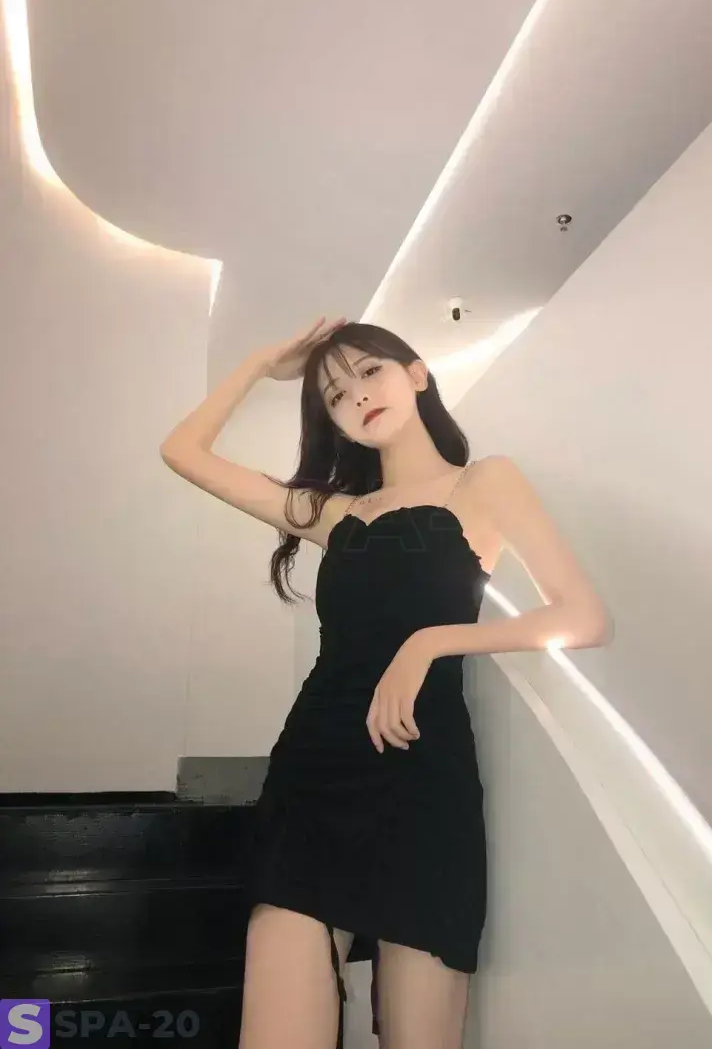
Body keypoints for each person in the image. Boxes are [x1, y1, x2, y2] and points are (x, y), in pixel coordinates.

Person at [160, 316, 612, 1049]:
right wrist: (260, 364)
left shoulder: (484, 482)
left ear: (417, 374)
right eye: (335, 394)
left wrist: (431, 642)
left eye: (370, 371)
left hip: (423, 779)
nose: (357, 396)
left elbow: (582, 616)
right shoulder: (335, 514)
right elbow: (182, 452)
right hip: (314, 774)